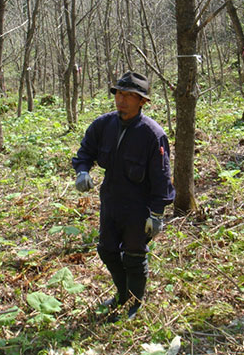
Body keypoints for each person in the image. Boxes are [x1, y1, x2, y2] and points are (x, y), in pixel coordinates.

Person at [72, 71, 175, 321]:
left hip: (138, 205)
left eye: (130, 96)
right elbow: (85, 151)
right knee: (107, 250)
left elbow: (162, 177)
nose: (122, 100)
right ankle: (122, 294)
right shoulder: (103, 125)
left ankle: (134, 303)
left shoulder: (153, 134)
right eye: (119, 93)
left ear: (142, 102)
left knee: (134, 254)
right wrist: (82, 171)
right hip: (111, 199)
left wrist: (157, 214)